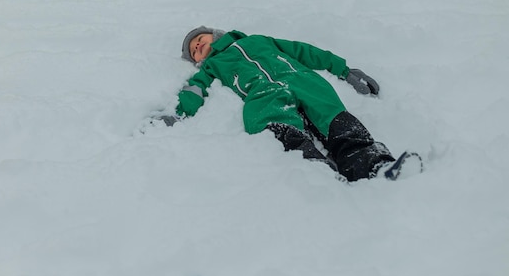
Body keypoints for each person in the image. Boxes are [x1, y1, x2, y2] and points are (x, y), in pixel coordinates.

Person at [152, 26, 421, 181]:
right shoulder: (211, 67)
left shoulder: (257, 40)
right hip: (262, 93)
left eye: (200, 40)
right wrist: (176, 114)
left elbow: (303, 51)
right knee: (276, 127)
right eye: (194, 50)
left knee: (336, 121)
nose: (198, 46)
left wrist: (344, 70)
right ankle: (319, 178)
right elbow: (195, 90)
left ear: (215, 34)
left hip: (301, 80)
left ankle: (374, 166)